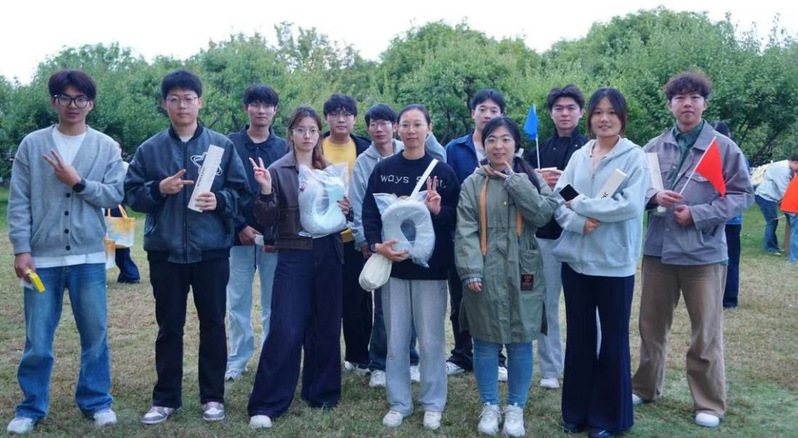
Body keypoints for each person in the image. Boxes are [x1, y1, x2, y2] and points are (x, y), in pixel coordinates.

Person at [125, 70, 248, 425]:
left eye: (189, 99)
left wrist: (220, 201)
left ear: (200, 102)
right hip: (165, 252)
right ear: (165, 104)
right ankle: (165, 399)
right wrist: (157, 190)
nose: (182, 105)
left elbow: (242, 192)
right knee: (169, 327)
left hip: (211, 251)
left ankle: (213, 397)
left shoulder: (221, 146)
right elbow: (131, 194)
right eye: (174, 99)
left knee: (213, 324)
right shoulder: (150, 149)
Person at [632, 71, 754, 429]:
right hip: (658, 251)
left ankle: (709, 403)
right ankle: (645, 387)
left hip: (703, 254)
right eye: (680, 98)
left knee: (705, 332)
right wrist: (653, 197)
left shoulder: (723, 148)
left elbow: (742, 194)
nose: (687, 104)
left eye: (694, 98)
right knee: (651, 326)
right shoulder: (653, 147)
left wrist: (699, 214)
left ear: (705, 104)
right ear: (670, 105)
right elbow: (636, 189)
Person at [6, 69, 124, 435]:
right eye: (65, 98)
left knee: (95, 335)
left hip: (89, 259)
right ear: (53, 101)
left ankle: (97, 401)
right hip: (42, 260)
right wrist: (21, 249)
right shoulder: (33, 144)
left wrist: (79, 182)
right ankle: (31, 407)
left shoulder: (105, 146)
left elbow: (114, 193)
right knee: (38, 339)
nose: (73, 105)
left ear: (91, 104)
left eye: (80, 98)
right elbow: (19, 201)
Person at [553, 87, 648, 438]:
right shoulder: (580, 155)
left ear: (622, 117)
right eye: (598, 112)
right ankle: (575, 411)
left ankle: (608, 418)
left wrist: (581, 205)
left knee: (612, 341)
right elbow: (559, 196)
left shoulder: (634, 157)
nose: (604, 119)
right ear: (589, 117)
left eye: (611, 112)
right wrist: (577, 221)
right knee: (579, 337)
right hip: (576, 263)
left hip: (613, 264)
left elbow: (629, 205)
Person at [248, 106, 350, 429]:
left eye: (312, 130)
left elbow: (339, 215)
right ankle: (268, 403)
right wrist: (266, 190)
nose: (307, 136)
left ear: (318, 134)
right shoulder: (277, 170)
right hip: (294, 254)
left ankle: (322, 393)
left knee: (326, 325)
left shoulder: (330, 170)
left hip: (329, 252)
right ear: (291, 133)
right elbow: (267, 219)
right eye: (301, 130)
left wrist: (345, 208)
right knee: (286, 327)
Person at [455, 116, 557, 436]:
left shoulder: (530, 177)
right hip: (485, 270)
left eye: (505, 139)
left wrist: (516, 182)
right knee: (485, 340)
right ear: (483, 145)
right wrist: (471, 269)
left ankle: (515, 408)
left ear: (516, 144)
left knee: (520, 340)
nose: (498, 146)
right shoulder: (472, 183)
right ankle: (489, 405)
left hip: (523, 270)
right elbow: (466, 230)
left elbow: (542, 214)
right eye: (491, 140)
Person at [363, 104, 460, 430]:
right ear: (397, 129)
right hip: (394, 270)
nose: (411, 131)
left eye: (417, 124)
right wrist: (377, 245)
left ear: (428, 128)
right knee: (396, 339)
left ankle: (433, 403)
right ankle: (399, 402)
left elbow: (454, 219)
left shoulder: (443, 172)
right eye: (405, 124)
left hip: (431, 271)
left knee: (431, 340)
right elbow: (370, 213)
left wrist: (437, 210)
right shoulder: (384, 169)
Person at [350, 103, 421, 388]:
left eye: (385, 123)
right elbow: (360, 204)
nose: (379, 129)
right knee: (383, 306)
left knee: (413, 304)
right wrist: (367, 241)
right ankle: (379, 363)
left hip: (413, 240)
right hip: (380, 242)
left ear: (395, 126)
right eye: (374, 123)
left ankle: (411, 359)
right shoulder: (364, 162)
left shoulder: (412, 152)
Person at [524, 84, 589, 389]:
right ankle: (550, 368)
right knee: (545, 303)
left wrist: (563, 185)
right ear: (550, 113)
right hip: (545, 236)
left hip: (580, 236)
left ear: (581, 112)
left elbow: (596, 192)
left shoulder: (590, 149)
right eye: (559, 108)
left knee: (583, 306)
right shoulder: (537, 149)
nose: (565, 114)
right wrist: (538, 180)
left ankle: (586, 363)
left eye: (571, 108)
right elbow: (525, 193)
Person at [224, 84, 288, 382]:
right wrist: (239, 225)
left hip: (274, 239)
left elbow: (288, 193)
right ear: (245, 108)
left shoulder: (284, 147)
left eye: (267, 105)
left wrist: (273, 234)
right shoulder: (228, 143)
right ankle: (237, 359)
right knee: (237, 300)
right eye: (255, 104)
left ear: (275, 110)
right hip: (237, 236)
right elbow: (220, 189)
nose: (261, 111)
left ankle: (271, 356)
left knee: (273, 302)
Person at [444, 89, 508, 379]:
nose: (487, 115)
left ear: (501, 115)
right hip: (460, 233)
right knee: (460, 298)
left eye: (494, 110)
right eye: (482, 109)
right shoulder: (454, 149)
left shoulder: (507, 148)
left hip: (498, 236)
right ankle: (461, 354)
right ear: (473, 113)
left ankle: (497, 357)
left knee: (496, 298)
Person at [321, 94, 373, 375]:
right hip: (321, 237)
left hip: (354, 237)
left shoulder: (364, 148)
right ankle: (326, 356)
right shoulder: (314, 146)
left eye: (347, 114)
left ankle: (359, 356)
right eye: (335, 114)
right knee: (325, 300)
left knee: (358, 300)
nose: (341, 119)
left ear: (354, 118)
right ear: (326, 118)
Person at [711, 122, 746, 308]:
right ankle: (727, 299)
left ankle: (727, 298)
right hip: (726, 218)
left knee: (723, 259)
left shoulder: (731, 154)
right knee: (728, 259)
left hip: (722, 217)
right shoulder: (737, 154)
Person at [110, 141, 141, 284]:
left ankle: (130, 273)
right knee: (101, 244)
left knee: (120, 242)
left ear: (121, 150)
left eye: (117, 148)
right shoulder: (101, 164)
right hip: (100, 206)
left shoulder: (125, 167)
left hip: (117, 207)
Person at [754, 155, 798, 255]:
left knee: (773, 221)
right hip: (765, 197)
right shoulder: (782, 169)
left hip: (771, 197)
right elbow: (785, 191)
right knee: (772, 221)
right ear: (795, 163)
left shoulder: (787, 168)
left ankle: (777, 246)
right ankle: (769, 247)